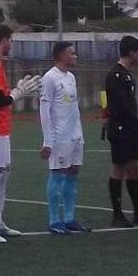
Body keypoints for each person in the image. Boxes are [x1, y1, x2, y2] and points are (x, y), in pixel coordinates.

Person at [0, 24, 39, 242]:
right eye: (10, 40)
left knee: (3, 174)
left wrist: (15, 92)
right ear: (4, 40)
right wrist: (18, 93)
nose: (11, 44)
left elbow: (1, 98)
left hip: (0, 127)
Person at [105, 35, 138, 227]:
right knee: (119, 169)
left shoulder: (127, 75)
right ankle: (117, 214)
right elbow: (122, 107)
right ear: (131, 52)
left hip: (130, 129)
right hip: (120, 129)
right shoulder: (115, 75)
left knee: (134, 168)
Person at [41, 42, 90, 234]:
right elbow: (45, 110)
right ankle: (54, 220)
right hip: (59, 137)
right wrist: (47, 140)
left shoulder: (71, 77)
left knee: (73, 173)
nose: (75, 56)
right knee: (57, 174)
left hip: (75, 135)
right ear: (62, 55)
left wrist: (79, 133)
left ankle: (69, 218)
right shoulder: (49, 78)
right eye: (72, 53)